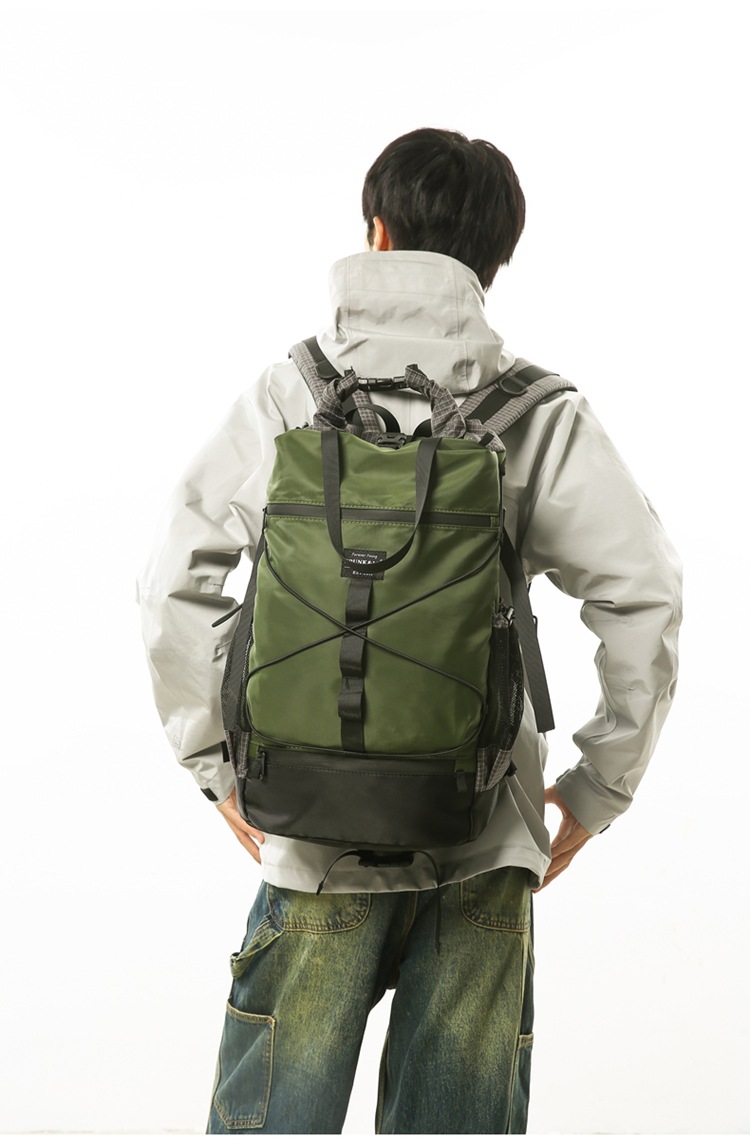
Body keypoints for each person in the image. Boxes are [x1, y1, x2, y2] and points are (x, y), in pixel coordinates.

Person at [138, 128, 682, 1134]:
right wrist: (595, 788)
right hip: (485, 833)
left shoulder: (291, 391)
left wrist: (216, 762)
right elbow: (643, 595)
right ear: (496, 257)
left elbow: (175, 578)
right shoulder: (539, 412)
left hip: (310, 832)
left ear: (377, 232)